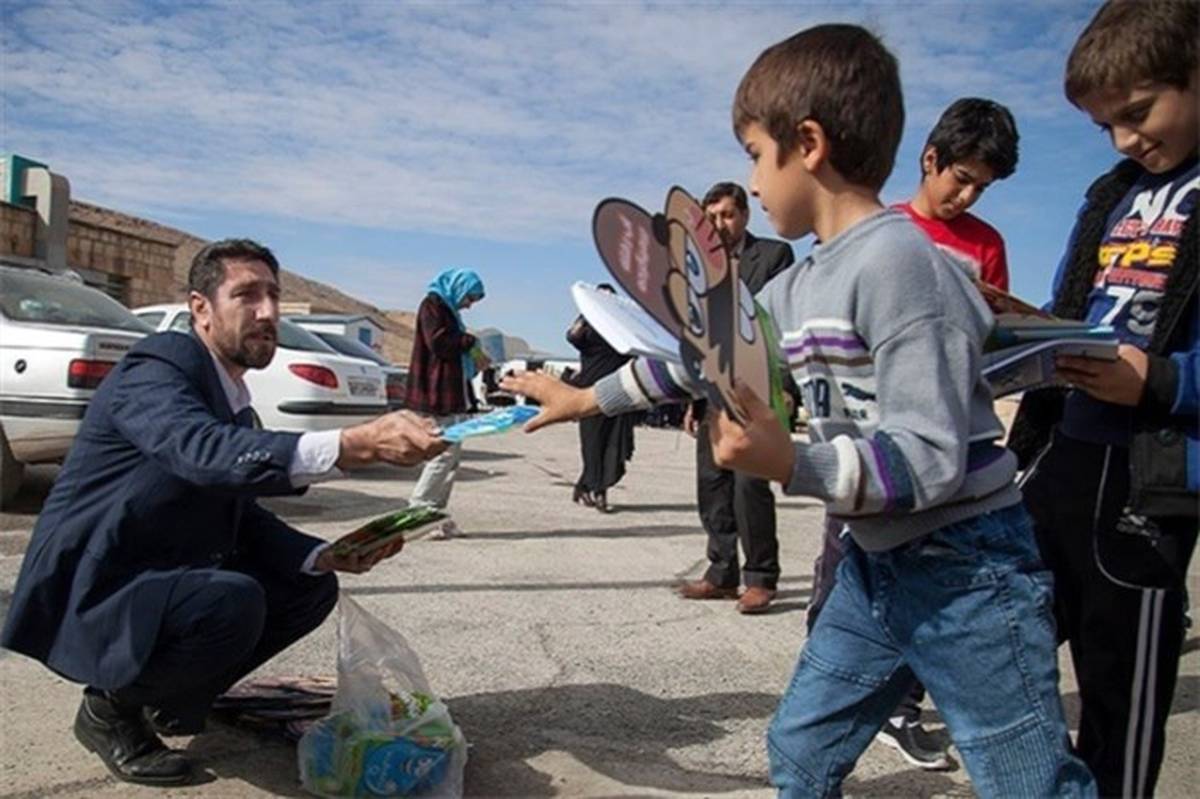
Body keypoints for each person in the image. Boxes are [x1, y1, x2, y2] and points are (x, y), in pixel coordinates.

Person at [503, 24, 1094, 797]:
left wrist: (791, 463)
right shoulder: (792, 289)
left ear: (806, 143)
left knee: (1028, 782)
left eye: (755, 153)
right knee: (801, 750)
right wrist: (586, 396)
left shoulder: (906, 268)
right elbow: (698, 361)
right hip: (873, 561)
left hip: (968, 568)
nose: (750, 181)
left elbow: (929, 457)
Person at [0, 239, 448, 786]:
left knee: (307, 586)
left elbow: (238, 510)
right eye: (247, 296)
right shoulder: (160, 365)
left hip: (160, 570)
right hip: (100, 582)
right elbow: (199, 451)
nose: (268, 313)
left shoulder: (233, 396)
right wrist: (354, 445)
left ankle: (174, 699)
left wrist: (323, 554)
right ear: (200, 309)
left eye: (274, 296)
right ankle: (108, 710)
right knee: (230, 603)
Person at [1007, 2, 1198, 795]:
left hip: (1146, 479)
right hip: (1065, 455)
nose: (1125, 139)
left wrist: (1158, 378)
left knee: (1120, 692)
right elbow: (1074, 309)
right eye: (1104, 127)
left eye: (1138, 112)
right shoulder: (1110, 193)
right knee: (1010, 644)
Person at [807, 96, 1021, 771]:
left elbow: (992, 347)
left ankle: (902, 703)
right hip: (866, 443)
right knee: (843, 571)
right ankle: (828, 695)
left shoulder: (986, 246)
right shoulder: (879, 228)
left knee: (931, 583)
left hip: (941, 446)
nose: (965, 194)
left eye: (980, 187)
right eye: (959, 176)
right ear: (929, 160)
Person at [678, 181, 795, 614]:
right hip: (712, 391)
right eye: (710, 218)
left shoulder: (774, 256)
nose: (719, 224)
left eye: (727, 215)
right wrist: (692, 402)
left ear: (744, 215)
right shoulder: (695, 270)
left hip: (757, 390)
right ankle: (721, 571)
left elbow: (778, 323)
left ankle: (761, 577)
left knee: (750, 485)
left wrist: (783, 383)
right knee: (712, 484)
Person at [405, 268, 489, 539]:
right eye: (469, 297)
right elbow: (438, 343)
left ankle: (436, 517)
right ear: (458, 288)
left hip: (452, 394)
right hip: (437, 394)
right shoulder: (433, 305)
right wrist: (469, 341)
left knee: (451, 460)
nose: (469, 304)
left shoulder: (449, 311)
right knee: (441, 455)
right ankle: (418, 512)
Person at [566, 283, 636, 513]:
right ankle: (597, 491)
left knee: (613, 443)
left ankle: (587, 486)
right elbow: (572, 336)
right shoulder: (587, 329)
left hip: (619, 390)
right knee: (593, 443)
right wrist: (587, 311)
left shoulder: (622, 328)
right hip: (590, 393)